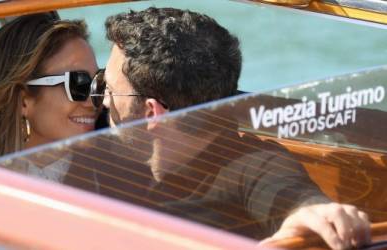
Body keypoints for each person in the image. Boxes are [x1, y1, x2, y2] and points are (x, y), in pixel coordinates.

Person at [94, 7, 370, 249]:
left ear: (152, 112)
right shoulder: (108, 142)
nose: (101, 100)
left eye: (108, 88)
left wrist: (312, 214)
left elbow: (289, 194)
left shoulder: (253, 166)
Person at [0, 13, 100, 164]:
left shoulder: (111, 172)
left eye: (99, 82)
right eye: (80, 84)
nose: (94, 101)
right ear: (23, 100)